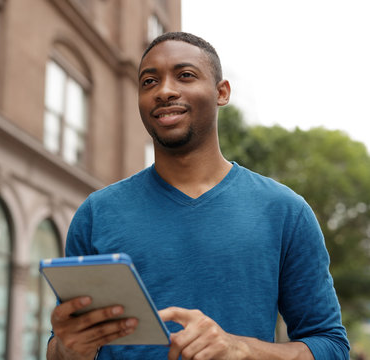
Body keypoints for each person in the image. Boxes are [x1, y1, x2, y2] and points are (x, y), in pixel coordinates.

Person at [46, 32, 350, 360]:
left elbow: (331, 346)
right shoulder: (96, 213)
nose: (164, 91)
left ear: (221, 92)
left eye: (185, 75)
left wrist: (241, 348)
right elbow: (61, 350)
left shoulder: (285, 211)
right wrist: (67, 349)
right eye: (149, 81)